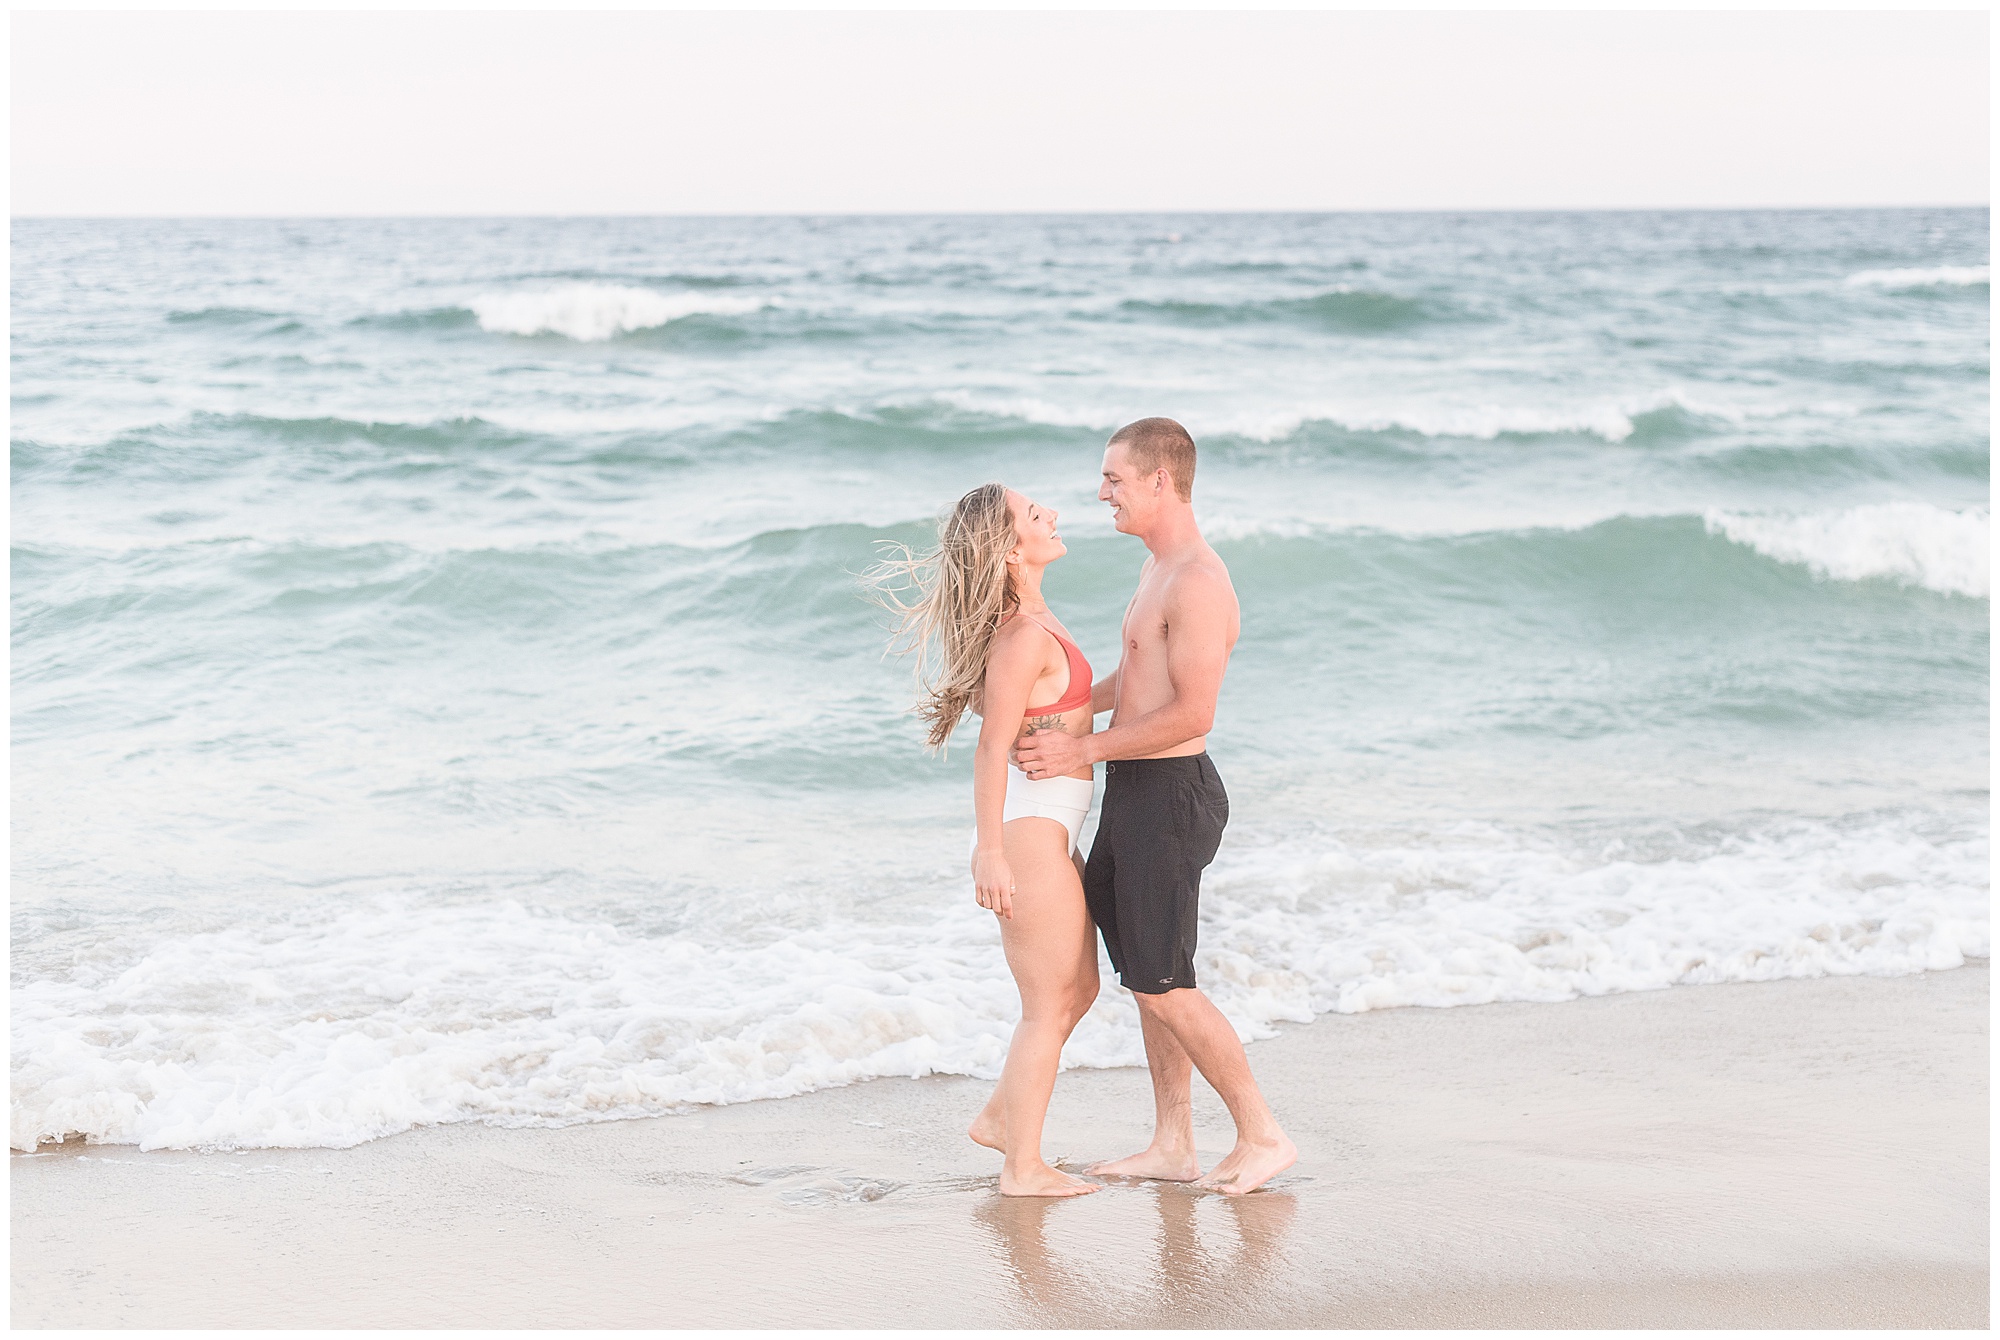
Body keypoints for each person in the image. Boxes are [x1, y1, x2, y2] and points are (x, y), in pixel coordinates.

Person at [1014, 417, 1296, 1196]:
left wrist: (1082, 751)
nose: (1102, 492)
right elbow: (1137, 684)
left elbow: (1194, 713)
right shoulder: (1157, 570)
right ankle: (1174, 1140)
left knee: (1166, 981)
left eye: (1114, 478)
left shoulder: (1199, 581)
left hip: (1171, 795)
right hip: (1135, 791)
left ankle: (1263, 1134)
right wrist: (1056, 717)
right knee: (1147, 975)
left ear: (1159, 482)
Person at [867, 482, 1103, 1198]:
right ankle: (1022, 1167)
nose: (1052, 515)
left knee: (1079, 988)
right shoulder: (1023, 635)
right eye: (1036, 515)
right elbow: (990, 746)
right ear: (1008, 551)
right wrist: (989, 851)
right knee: (1046, 1003)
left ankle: (1005, 1117)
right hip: (1028, 836)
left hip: (1051, 829)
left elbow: (1074, 707)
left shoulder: (1034, 617)